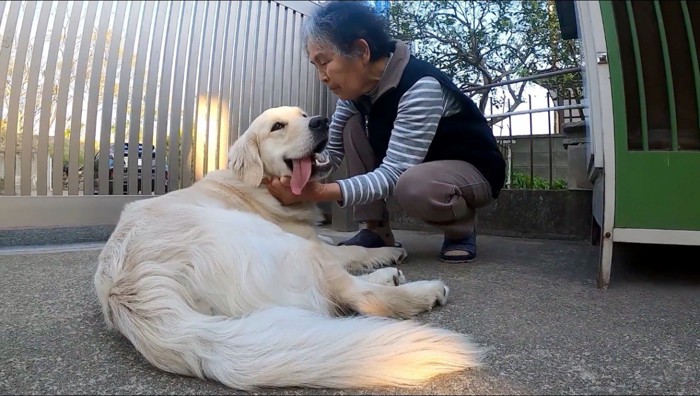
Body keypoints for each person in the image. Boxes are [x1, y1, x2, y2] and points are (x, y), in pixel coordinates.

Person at [264, 1, 506, 263]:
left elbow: (394, 174)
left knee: (413, 185)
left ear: (361, 50)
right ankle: (375, 230)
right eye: (315, 66)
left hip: (471, 172)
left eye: (325, 62)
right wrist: (298, 168)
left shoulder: (419, 86)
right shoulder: (353, 96)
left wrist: (321, 193)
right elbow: (331, 155)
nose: (321, 76)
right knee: (350, 126)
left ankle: (461, 229)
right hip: (419, 168)